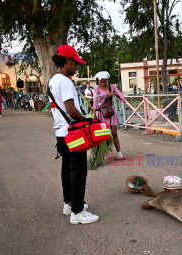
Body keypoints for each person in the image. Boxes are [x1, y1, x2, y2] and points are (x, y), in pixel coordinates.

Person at [48, 44, 99, 224]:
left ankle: (68, 203)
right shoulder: (66, 81)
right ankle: (77, 212)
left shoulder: (53, 80)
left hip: (60, 133)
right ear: (67, 61)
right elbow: (71, 109)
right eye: (75, 63)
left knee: (67, 169)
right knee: (78, 171)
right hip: (72, 133)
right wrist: (88, 119)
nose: (76, 67)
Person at [92, 71, 126, 160]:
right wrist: (94, 114)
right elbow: (95, 101)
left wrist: (113, 94)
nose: (103, 83)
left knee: (114, 134)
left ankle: (119, 154)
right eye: (101, 82)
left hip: (111, 113)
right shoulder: (97, 88)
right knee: (104, 135)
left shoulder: (112, 87)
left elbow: (121, 96)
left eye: (105, 81)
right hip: (102, 114)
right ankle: (104, 155)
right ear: (98, 81)